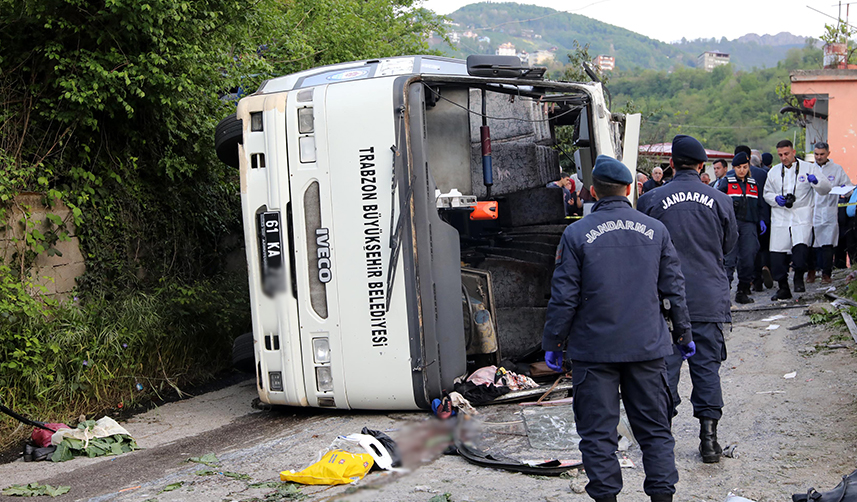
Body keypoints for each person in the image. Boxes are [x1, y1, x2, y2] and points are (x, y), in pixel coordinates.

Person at [543, 155, 692, 502]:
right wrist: (684, 334)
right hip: (647, 346)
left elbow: (564, 296)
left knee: (598, 434)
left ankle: (607, 497)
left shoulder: (576, 234)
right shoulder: (655, 230)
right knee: (655, 430)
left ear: (593, 191)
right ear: (629, 188)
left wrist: (553, 342)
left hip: (594, 350)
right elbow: (674, 288)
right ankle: (661, 496)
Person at [637, 134, 737, 464]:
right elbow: (728, 243)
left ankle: (661, 441)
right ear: (701, 165)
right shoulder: (719, 199)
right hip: (707, 298)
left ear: (670, 164)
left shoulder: (652, 199)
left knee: (664, 369)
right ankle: (709, 442)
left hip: (664, 300)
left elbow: (644, 247)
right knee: (707, 368)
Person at [763, 140, 832, 299]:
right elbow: (766, 193)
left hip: (801, 215)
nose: (783, 157)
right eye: (780, 155)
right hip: (780, 216)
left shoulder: (809, 168)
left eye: (786, 154)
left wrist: (816, 182)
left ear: (793, 152)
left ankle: (799, 277)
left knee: (800, 253)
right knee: (777, 255)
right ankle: (783, 287)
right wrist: (776, 199)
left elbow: (826, 188)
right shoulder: (773, 172)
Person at [719, 152, 760, 304]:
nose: (741, 170)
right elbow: (719, 203)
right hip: (732, 224)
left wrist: (760, 221)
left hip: (749, 224)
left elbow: (759, 204)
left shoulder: (753, 183)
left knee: (748, 258)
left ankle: (742, 291)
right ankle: (724, 296)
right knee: (729, 260)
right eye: (738, 167)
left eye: (744, 167)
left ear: (749, 167)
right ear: (733, 168)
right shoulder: (726, 182)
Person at [807, 142, 851, 284]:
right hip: (811, 211)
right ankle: (811, 272)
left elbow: (849, 187)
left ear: (828, 154)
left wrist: (843, 188)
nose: (819, 157)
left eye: (822, 154)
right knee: (810, 244)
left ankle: (826, 274)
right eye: (816, 154)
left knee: (827, 245)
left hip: (829, 210)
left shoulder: (836, 169)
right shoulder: (809, 168)